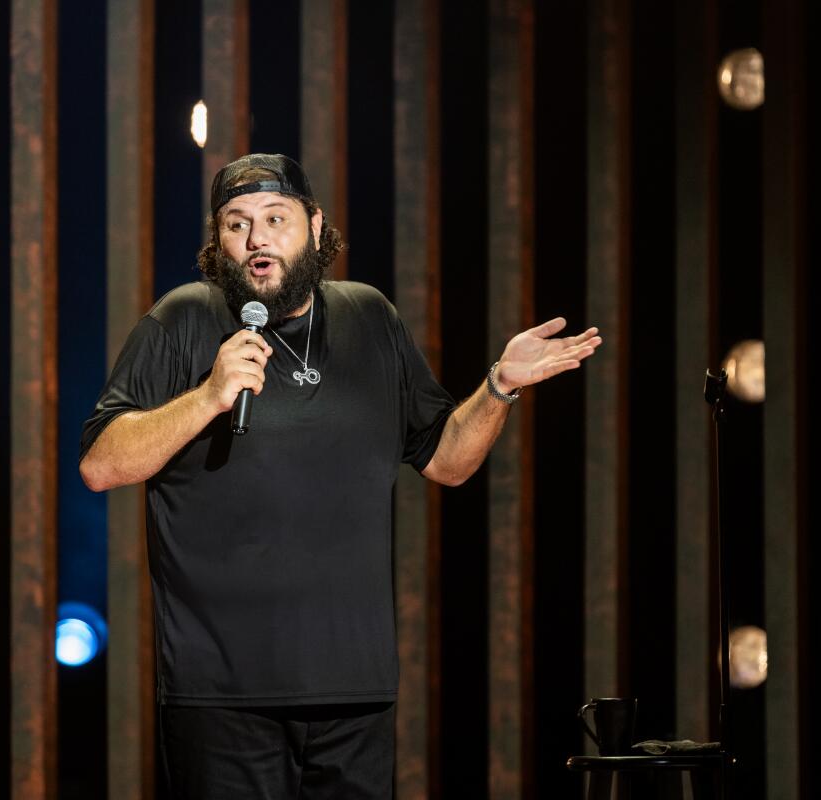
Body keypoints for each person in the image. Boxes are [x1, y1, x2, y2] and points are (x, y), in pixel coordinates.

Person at [79, 153, 601, 799]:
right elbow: (102, 465)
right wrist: (207, 397)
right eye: (237, 225)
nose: (258, 239)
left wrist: (498, 387)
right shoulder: (183, 318)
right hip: (220, 688)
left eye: (276, 218)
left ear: (316, 226)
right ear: (218, 242)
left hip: (354, 685)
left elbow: (446, 461)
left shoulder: (369, 317)